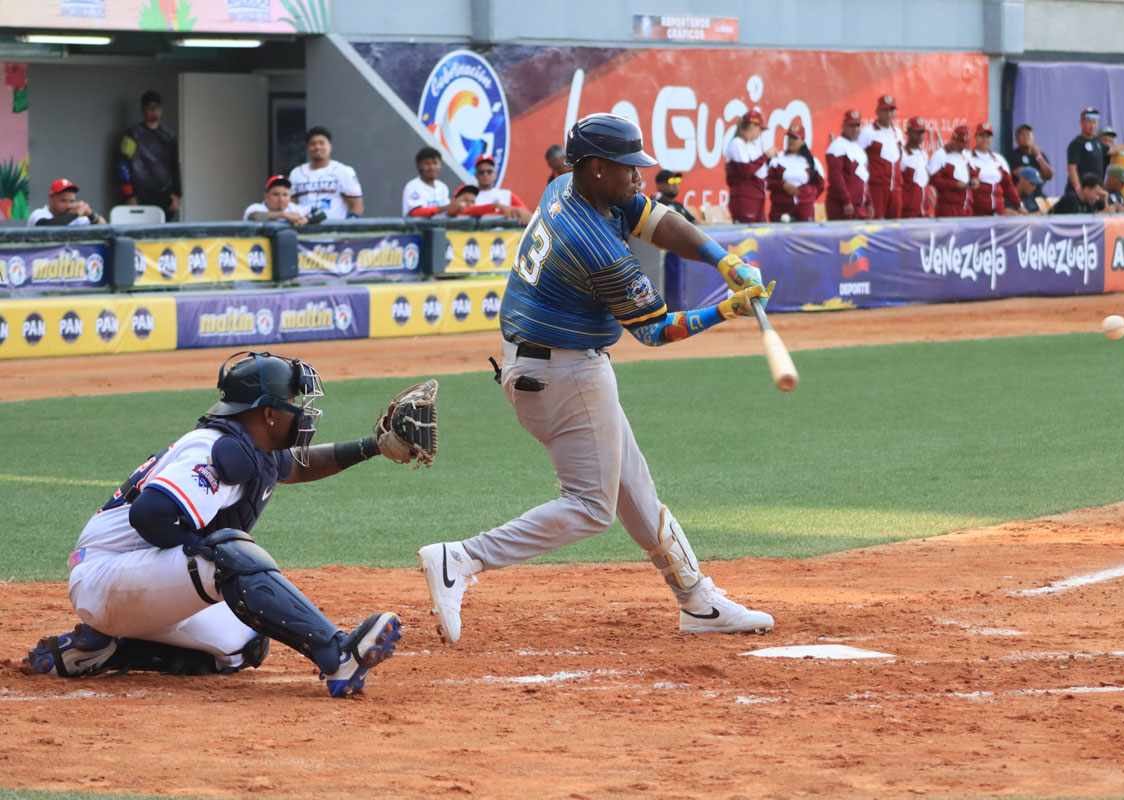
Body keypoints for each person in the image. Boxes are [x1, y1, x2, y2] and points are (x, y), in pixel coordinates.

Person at [416, 114, 775, 646]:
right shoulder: (591, 242)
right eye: (630, 169)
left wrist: (722, 259)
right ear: (599, 168)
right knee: (591, 506)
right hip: (564, 373)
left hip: (547, 363)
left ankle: (697, 601)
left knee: (635, 489)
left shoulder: (570, 184)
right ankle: (461, 558)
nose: (639, 177)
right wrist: (726, 310)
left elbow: (655, 219)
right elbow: (654, 332)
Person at [22, 352, 405, 697]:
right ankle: (337, 654)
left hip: (138, 584)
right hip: (106, 577)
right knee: (225, 553)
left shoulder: (251, 448)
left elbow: (300, 466)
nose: (301, 412)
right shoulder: (216, 449)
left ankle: (106, 648)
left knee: (246, 642)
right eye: (291, 403)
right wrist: (202, 549)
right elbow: (149, 514)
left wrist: (373, 445)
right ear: (267, 413)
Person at [117, 90, 181, 220]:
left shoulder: (169, 136)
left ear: (161, 110)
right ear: (143, 110)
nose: (154, 111)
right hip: (140, 196)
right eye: (150, 108)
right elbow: (123, 164)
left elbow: (175, 165)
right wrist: (129, 195)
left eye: (157, 107)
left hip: (165, 195)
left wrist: (178, 194)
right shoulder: (132, 135)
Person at [287, 127, 364, 220]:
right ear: (307, 148)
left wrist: (347, 229)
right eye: (313, 144)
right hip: (304, 229)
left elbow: (357, 206)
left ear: (330, 146)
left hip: (333, 230)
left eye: (321, 143)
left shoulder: (343, 171)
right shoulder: (296, 173)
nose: (317, 147)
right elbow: (290, 203)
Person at [766, 118, 824, 222]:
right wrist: (783, 186)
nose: (791, 141)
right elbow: (767, 182)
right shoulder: (777, 159)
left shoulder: (812, 161)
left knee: (805, 236)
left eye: (795, 138)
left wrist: (807, 195)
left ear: (802, 141)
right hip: (781, 207)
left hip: (804, 209)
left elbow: (820, 185)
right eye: (789, 137)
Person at [724, 109, 777, 223]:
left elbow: (759, 171)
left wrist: (768, 159)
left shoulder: (750, 145)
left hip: (757, 196)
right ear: (752, 126)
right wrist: (765, 156)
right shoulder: (737, 143)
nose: (761, 133)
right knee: (747, 234)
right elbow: (746, 170)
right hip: (745, 198)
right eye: (760, 129)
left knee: (759, 234)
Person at [857, 95, 903, 219]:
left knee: (895, 225)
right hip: (876, 188)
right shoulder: (868, 132)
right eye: (885, 111)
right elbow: (857, 159)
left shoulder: (898, 133)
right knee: (875, 225)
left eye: (891, 110)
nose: (888, 114)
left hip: (896, 188)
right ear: (877, 112)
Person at [824, 109, 871, 221]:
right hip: (843, 207)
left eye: (857, 126)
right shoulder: (837, 147)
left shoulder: (859, 148)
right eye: (851, 126)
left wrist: (869, 202)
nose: (855, 129)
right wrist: (846, 201)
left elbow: (863, 178)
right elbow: (836, 178)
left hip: (859, 207)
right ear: (844, 126)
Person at [967, 123, 1022, 216]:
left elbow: (1008, 185)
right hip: (977, 211)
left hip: (998, 210)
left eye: (988, 136)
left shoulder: (999, 159)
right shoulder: (968, 158)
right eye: (981, 136)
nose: (985, 139)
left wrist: (1019, 204)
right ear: (975, 137)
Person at [928, 125, 977, 217]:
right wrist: (955, 185)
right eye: (960, 145)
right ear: (953, 140)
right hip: (948, 207)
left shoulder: (966, 154)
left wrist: (974, 181)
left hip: (967, 205)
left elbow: (973, 173)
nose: (962, 148)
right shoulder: (940, 155)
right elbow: (933, 180)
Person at [473, 155, 532, 223]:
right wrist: (497, 207)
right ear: (476, 175)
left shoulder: (507, 194)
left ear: (495, 175)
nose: (485, 175)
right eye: (481, 172)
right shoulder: (469, 195)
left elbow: (525, 212)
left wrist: (515, 210)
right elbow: (466, 212)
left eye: (489, 171)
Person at [403, 146, 457, 217]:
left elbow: (447, 212)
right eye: (427, 163)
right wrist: (446, 208)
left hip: (440, 227)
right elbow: (415, 212)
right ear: (419, 165)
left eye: (435, 163)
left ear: (440, 165)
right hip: (418, 228)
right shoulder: (412, 186)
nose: (432, 167)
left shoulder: (442, 187)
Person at [28, 178, 106, 227]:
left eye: (71, 201)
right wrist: (76, 214)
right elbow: (46, 226)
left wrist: (90, 214)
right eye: (63, 201)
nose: (69, 205)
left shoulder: (74, 217)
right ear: (51, 199)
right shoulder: (39, 213)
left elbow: (104, 226)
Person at [1065, 107, 1106, 199]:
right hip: (1080, 194)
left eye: (1094, 122)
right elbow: (1072, 169)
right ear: (1081, 123)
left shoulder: (1097, 141)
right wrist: (1078, 189)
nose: (1092, 126)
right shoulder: (1076, 143)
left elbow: (1110, 149)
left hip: (1094, 194)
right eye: (1089, 122)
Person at [242, 175, 310, 224]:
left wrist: (306, 220)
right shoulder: (256, 208)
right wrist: (283, 215)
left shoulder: (295, 209)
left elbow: (316, 215)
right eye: (276, 194)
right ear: (266, 196)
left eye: (285, 195)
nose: (281, 199)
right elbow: (253, 217)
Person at [1006, 124, 1054, 195]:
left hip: (1038, 194)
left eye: (1028, 134)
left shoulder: (1040, 155)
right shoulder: (1012, 155)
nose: (1026, 137)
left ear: (1033, 137)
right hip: (1021, 195)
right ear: (1017, 139)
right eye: (1022, 135)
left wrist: (1038, 155)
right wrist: (1038, 174)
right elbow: (1016, 173)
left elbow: (1049, 175)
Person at [899, 117, 931, 218]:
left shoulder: (924, 154)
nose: (920, 135)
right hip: (907, 213)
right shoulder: (902, 153)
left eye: (922, 132)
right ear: (908, 132)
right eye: (916, 132)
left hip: (924, 212)